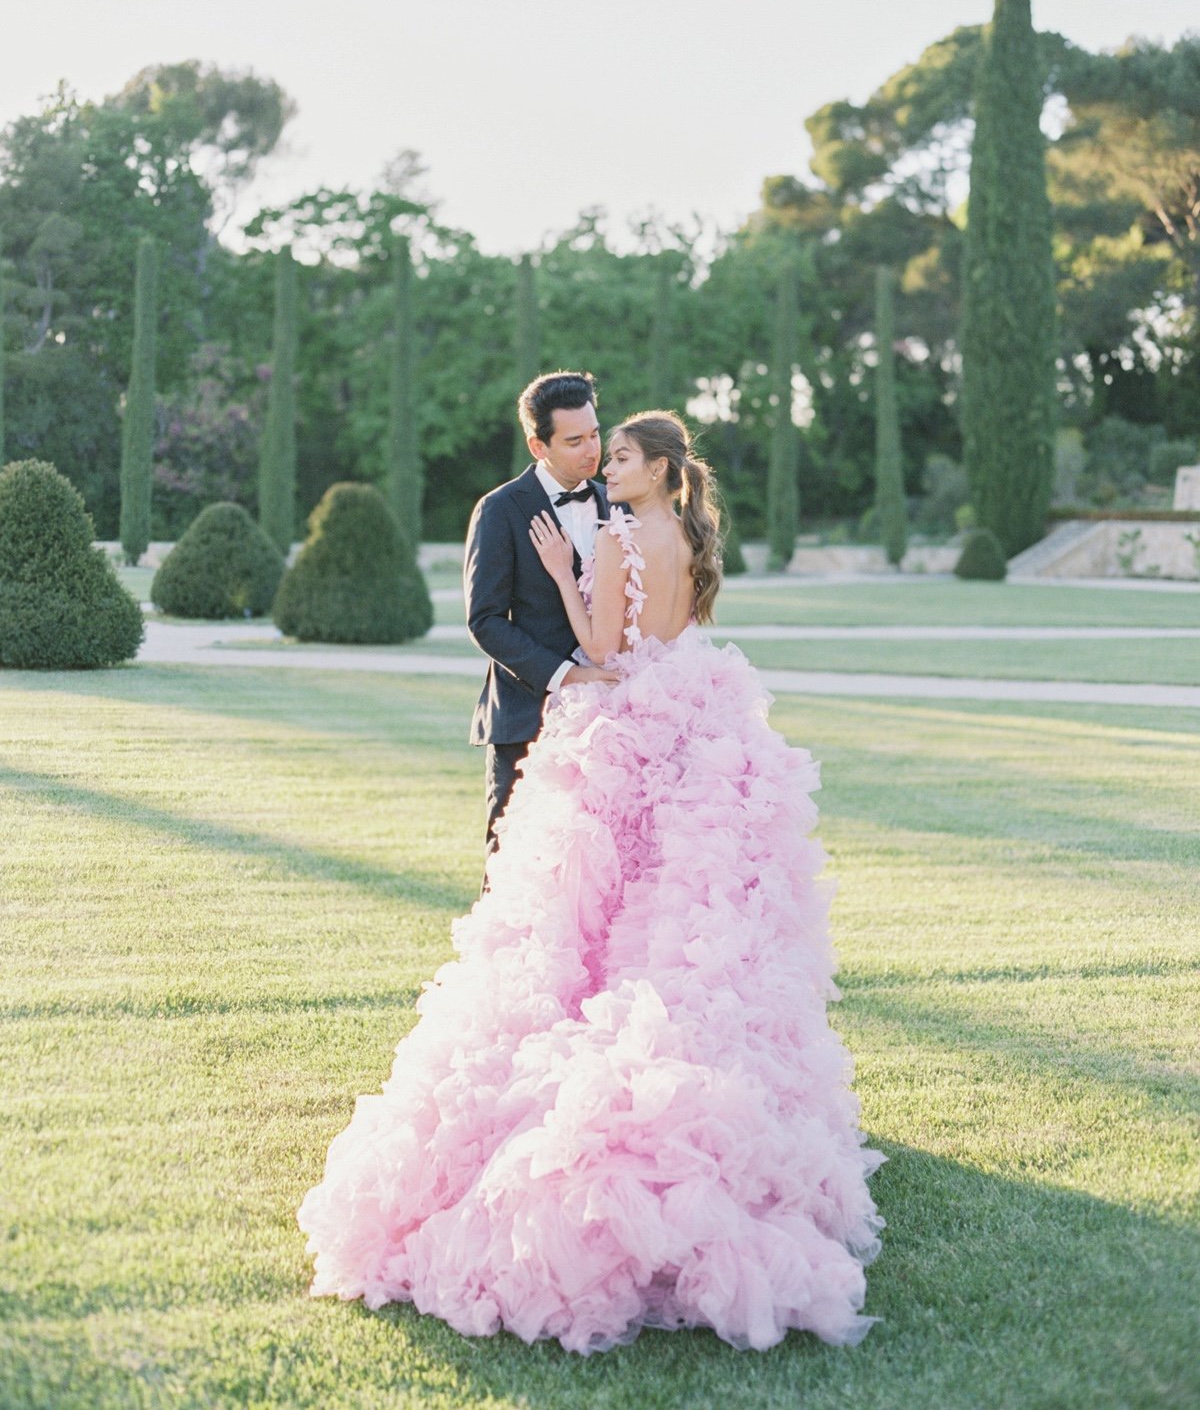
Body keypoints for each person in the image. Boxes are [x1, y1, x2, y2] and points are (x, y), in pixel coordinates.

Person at [297, 410, 885, 1355]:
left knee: (586, 906)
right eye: (599, 451)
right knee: (688, 908)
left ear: (654, 468)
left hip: (625, 724)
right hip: (700, 716)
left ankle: (592, 1042)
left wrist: (574, 581)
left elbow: (604, 651)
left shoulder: (615, 535)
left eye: (619, 455)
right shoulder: (692, 533)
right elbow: (675, 630)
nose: (606, 464)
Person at [462, 371, 619, 865]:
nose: (591, 450)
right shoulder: (500, 510)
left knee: (597, 863)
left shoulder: (618, 503)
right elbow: (485, 620)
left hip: (608, 720)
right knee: (512, 858)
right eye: (574, 441)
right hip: (525, 716)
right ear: (538, 445)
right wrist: (566, 677)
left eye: (594, 434)